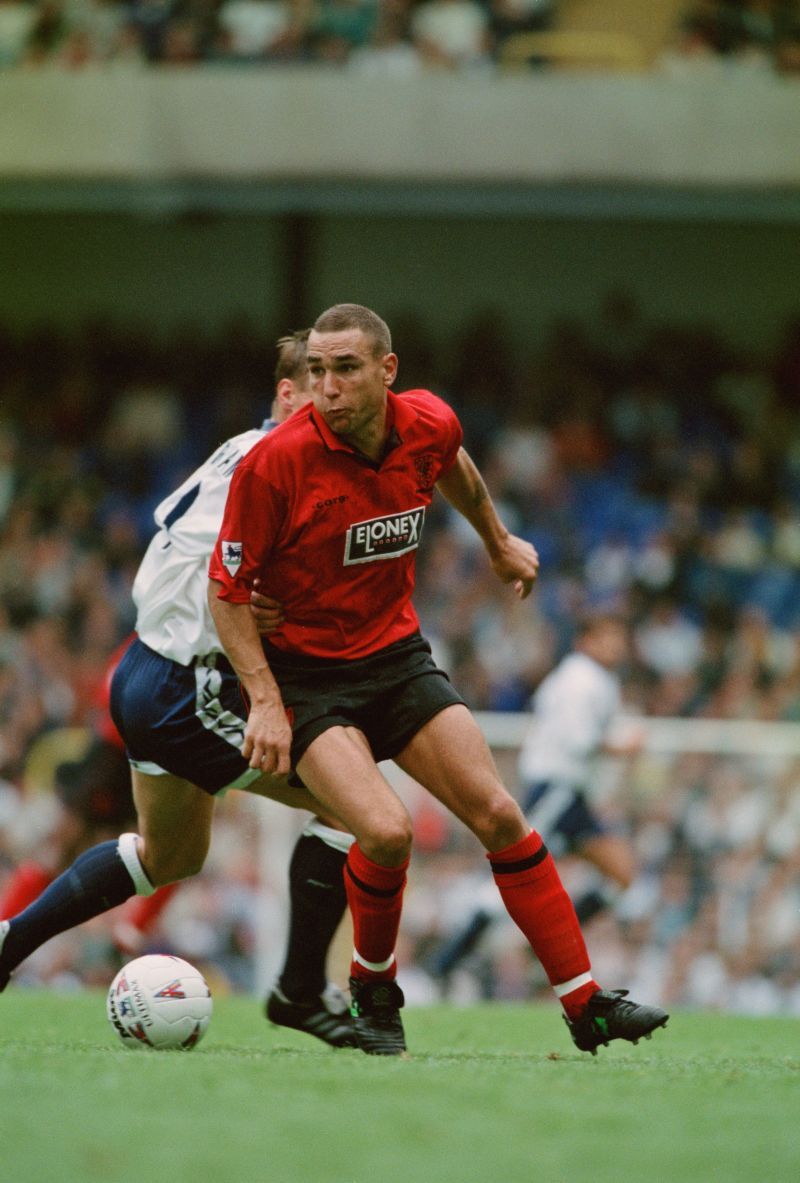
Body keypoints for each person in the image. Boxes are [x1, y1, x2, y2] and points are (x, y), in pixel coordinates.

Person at [207, 302, 669, 1056]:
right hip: (308, 678)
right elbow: (224, 588)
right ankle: (374, 992)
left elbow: (449, 459)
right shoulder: (276, 462)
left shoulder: (426, 421)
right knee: (386, 831)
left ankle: (586, 1004)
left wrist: (497, 539)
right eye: (317, 370)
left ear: (387, 371)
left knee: (498, 812)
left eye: (346, 369)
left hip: (394, 657)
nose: (326, 386)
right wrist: (262, 698)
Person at [0, 331, 358, 1050]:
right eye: (319, 390)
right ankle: (302, 989)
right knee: (357, 809)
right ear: (287, 394)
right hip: (189, 681)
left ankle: (9, 940)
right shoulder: (273, 462)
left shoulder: (239, 448)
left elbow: (176, 534)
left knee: (170, 857)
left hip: (146, 669)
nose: (336, 408)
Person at [428, 614, 642, 983]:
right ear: (585, 641)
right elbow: (578, 739)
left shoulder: (588, 678)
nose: (617, 646)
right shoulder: (581, 680)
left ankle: (540, 952)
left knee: (621, 873)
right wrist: (622, 746)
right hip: (556, 788)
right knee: (516, 874)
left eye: (619, 637)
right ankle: (448, 961)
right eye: (608, 637)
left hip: (572, 796)